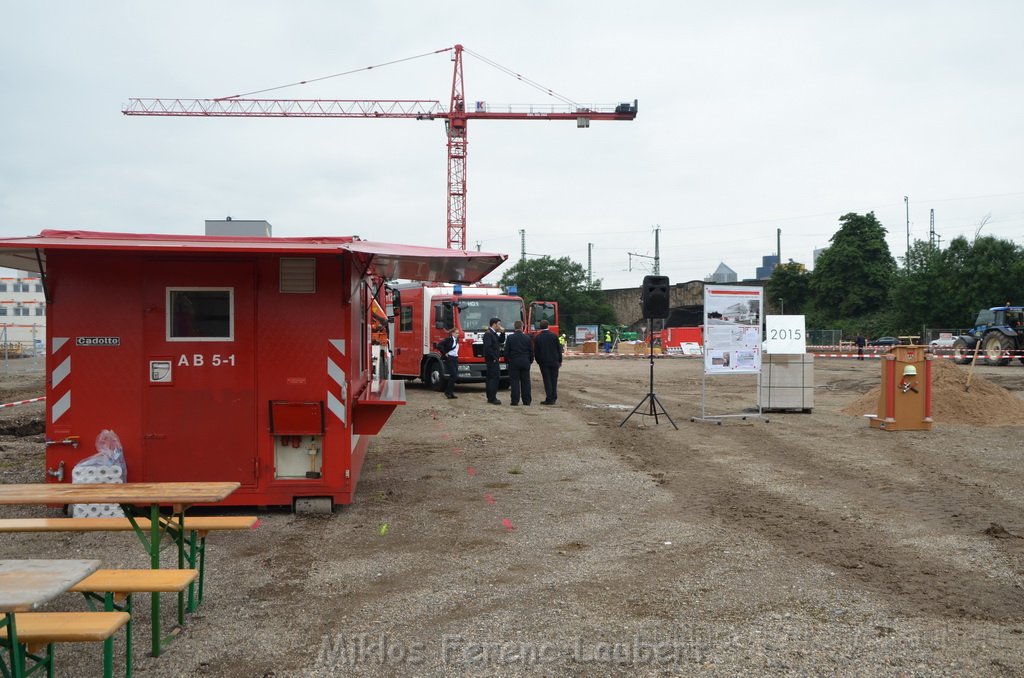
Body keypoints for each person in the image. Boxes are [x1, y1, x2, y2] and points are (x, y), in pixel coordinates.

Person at [504, 320, 533, 406]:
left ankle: (515, 400)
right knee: (526, 381)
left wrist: (507, 361)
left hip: (514, 361)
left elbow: (506, 352)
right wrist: (529, 361)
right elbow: (531, 352)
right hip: (525, 361)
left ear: (514, 327)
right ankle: (527, 400)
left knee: (514, 382)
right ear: (522, 327)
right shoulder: (527, 338)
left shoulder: (510, 338)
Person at [534, 319, 562, 405]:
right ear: (548, 326)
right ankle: (554, 396)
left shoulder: (538, 337)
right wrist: (560, 360)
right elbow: (558, 349)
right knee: (554, 380)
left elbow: (536, 351)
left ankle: (549, 398)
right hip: (554, 361)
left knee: (547, 380)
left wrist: (538, 361)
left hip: (544, 362)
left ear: (540, 327)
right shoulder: (554, 336)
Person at [482, 317, 505, 405]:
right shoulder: (488, 334)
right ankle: (492, 397)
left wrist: (503, 333)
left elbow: (501, 341)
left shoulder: (494, 333)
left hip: (494, 359)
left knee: (492, 378)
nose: (500, 326)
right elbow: (488, 348)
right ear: (494, 324)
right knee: (493, 378)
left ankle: (491, 396)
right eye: (498, 324)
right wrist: (494, 358)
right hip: (492, 360)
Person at [437, 327, 461, 399]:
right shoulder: (448, 340)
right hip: (450, 358)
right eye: (456, 333)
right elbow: (439, 346)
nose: (457, 334)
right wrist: (445, 353)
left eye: (458, 333)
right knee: (453, 375)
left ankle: (450, 392)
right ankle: (448, 392)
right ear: (452, 333)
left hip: (455, 358)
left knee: (454, 376)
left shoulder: (457, 340)